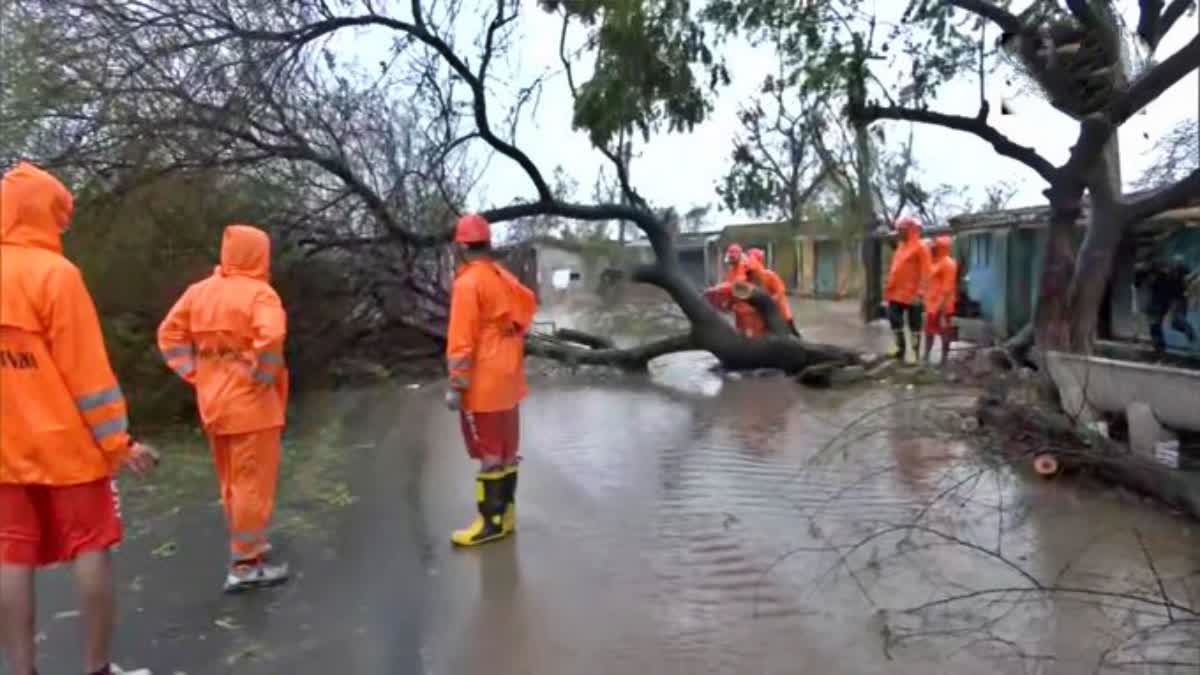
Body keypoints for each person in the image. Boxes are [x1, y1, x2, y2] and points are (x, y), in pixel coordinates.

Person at [1, 162, 158, 675]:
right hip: (68, 448)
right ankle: (96, 669)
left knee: (10, 558)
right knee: (92, 547)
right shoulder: (56, 276)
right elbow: (87, 374)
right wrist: (119, 445)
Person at [157, 224, 290, 593]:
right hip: (252, 407)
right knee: (252, 484)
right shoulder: (260, 295)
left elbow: (168, 334)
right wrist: (263, 376)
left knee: (233, 482)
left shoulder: (199, 293)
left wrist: (195, 373)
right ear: (258, 254)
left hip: (214, 403)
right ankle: (245, 564)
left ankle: (249, 544)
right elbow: (272, 336)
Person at [444, 213, 537, 547]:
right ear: (488, 243)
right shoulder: (502, 277)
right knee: (508, 449)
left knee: (489, 452)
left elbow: (461, 339)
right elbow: (528, 305)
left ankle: (490, 523)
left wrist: (457, 383)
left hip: (484, 379)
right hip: (510, 375)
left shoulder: (468, 283)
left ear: (460, 247)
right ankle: (507, 517)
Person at [884, 216, 933, 361]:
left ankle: (914, 354)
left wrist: (921, 292)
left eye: (901, 230)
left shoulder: (921, 247)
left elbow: (927, 272)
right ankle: (899, 348)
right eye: (898, 230)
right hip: (896, 292)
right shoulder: (901, 246)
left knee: (915, 324)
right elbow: (896, 267)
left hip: (913, 293)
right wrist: (889, 286)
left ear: (909, 230)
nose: (899, 233)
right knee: (894, 319)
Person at [1135, 254, 1197, 355]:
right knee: (1156, 322)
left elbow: (1188, 282)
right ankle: (1159, 347)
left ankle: (1192, 339)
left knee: (1176, 321)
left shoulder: (1175, 272)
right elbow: (1139, 280)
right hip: (1162, 297)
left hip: (1174, 297)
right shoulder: (1153, 271)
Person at [922, 236, 958, 366]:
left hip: (943, 305)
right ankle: (926, 357)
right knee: (928, 331)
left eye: (934, 247)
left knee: (944, 332)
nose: (931, 249)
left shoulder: (948, 263)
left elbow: (947, 288)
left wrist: (942, 309)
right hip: (932, 305)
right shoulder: (934, 262)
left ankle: (944, 360)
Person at [747, 247, 799, 336]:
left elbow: (780, 292)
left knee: (792, 337)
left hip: (781, 313)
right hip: (766, 315)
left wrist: (769, 301)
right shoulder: (749, 278)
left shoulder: (770, 276)